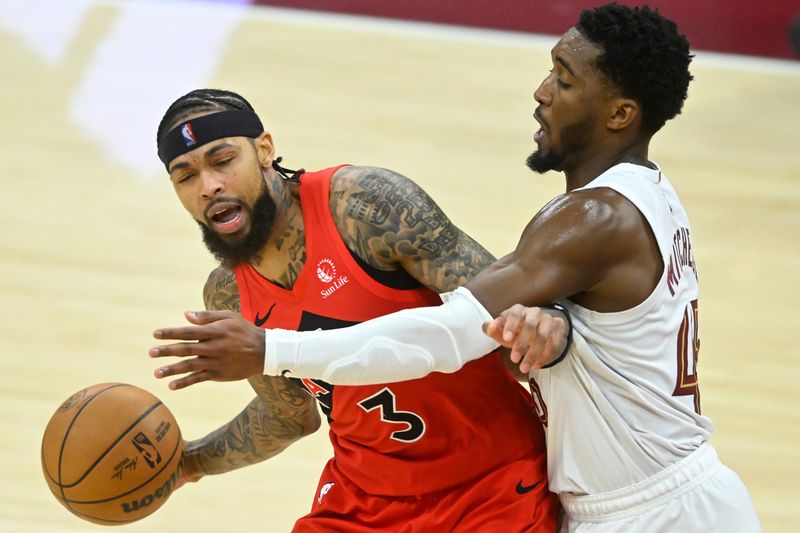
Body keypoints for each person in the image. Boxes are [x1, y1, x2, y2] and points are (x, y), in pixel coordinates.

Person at [150, 5, 762, 532]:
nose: (541, 92)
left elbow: (453, 329)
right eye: (185, 175)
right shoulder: (619, 203)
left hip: (621, 504)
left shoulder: (594, 218)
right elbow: (531, 311)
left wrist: (272, 349)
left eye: (563, 79)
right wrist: (191, 461)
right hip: (601, 500)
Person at [151, 88, 563, 531]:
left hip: (489, 484)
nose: (209, 186)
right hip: (363, 501)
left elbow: (505, 314)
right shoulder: (229, 296)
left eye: (223, 160)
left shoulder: (364, 207)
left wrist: (545, 323)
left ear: (265, 150)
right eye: (186, 176)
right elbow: (288, 415)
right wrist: (189, 463)